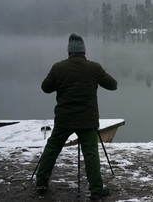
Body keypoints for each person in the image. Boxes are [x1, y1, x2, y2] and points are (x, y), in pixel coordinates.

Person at [36, 33, 117, 199]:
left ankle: (41, 181)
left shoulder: (58, 67)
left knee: (52, 149)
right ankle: (96, 189)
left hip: (64, 119)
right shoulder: (94, 68)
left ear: (68, 52)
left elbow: (45, 88)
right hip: (87, 121)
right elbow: (113, 85)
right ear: (84, 52)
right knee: (91, 153)